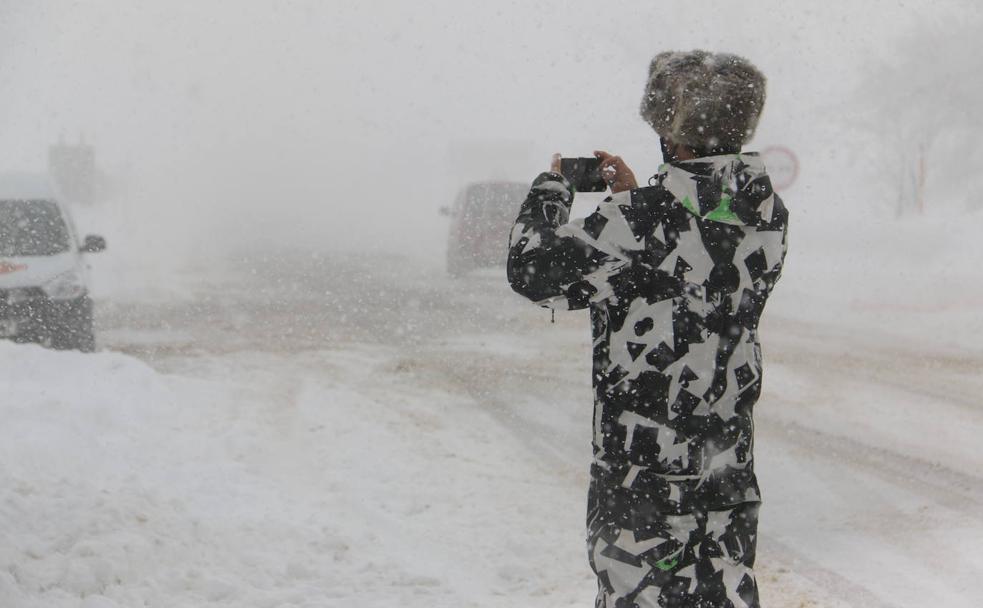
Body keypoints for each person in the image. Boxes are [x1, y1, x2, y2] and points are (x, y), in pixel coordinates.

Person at [506, 50, 788, 608]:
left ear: (673, 136)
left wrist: (553, 189)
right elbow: (686, 262)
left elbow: (531, 270)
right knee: (723, 591)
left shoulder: (638, 222)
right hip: (725, 460)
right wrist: (631, 201)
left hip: (644, 470)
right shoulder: (766, 213)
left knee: (640, 593)